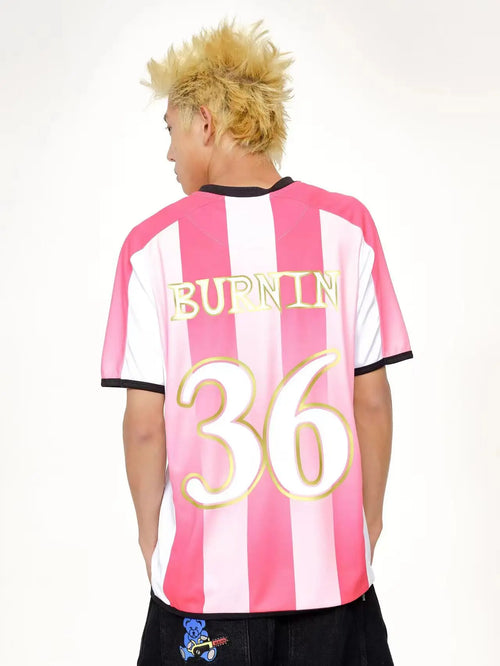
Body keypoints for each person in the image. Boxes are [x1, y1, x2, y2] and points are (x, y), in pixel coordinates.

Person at [100, 16, 413, 666]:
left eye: (170, 131)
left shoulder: (150, 248)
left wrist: (152, 543)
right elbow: (373, 400)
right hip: (335, 585)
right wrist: (367, 527)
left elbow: (145, 426)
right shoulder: (347, 228)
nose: (169, 155)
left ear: (205, 122)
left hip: (201, 595)